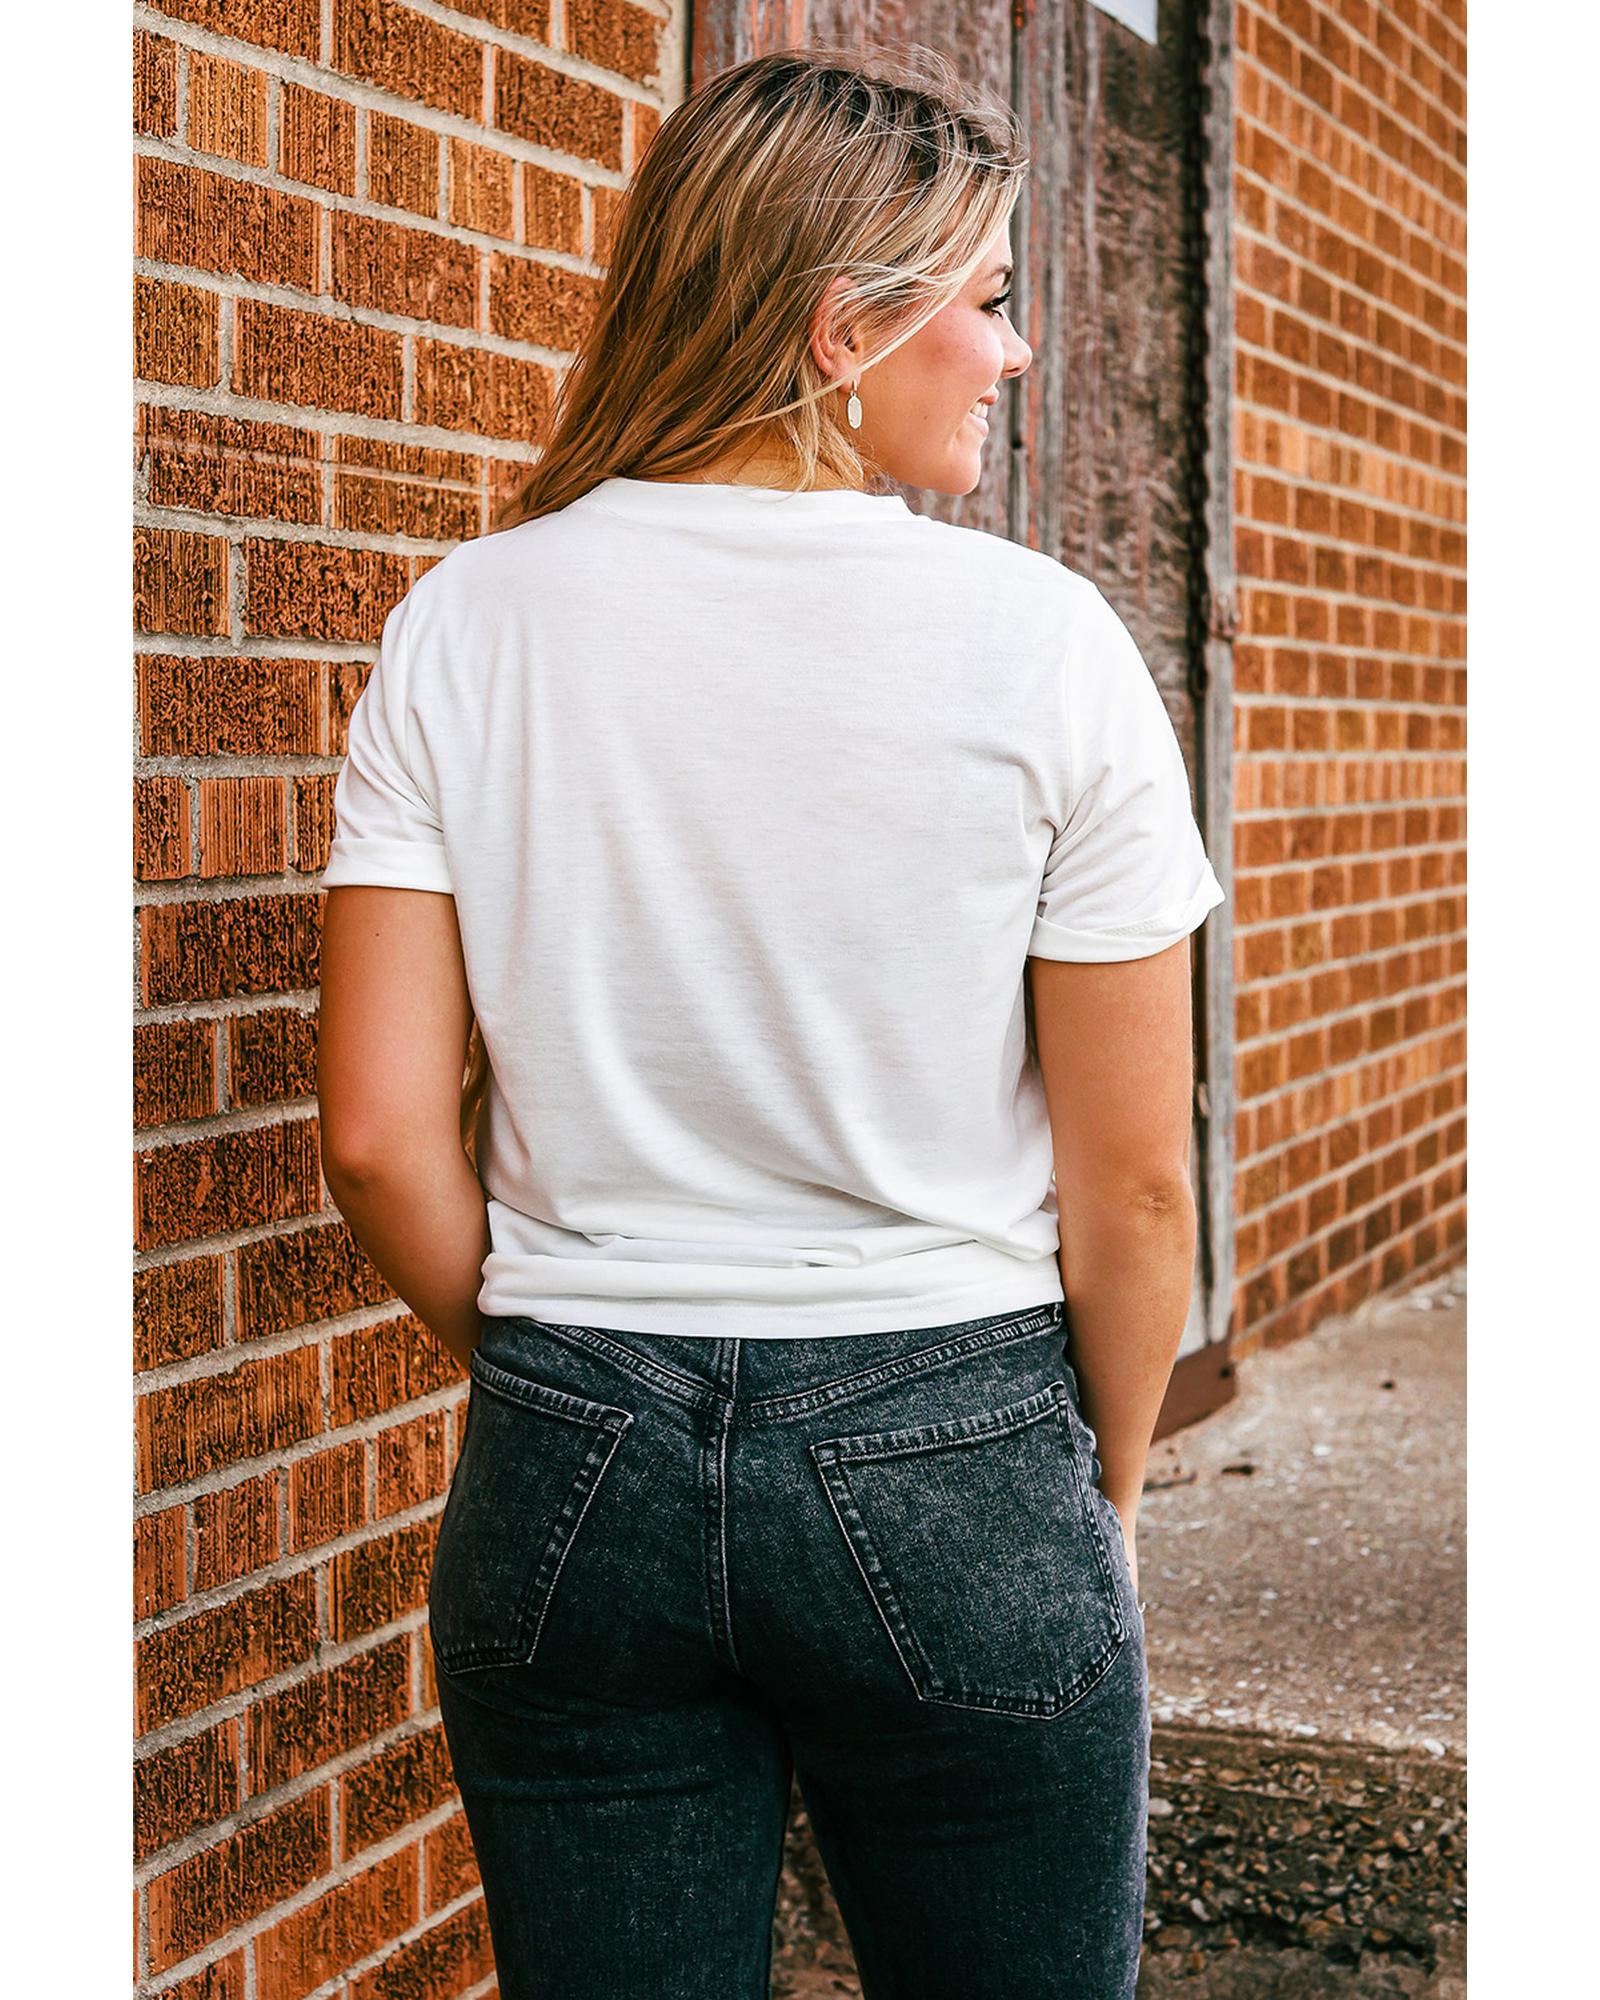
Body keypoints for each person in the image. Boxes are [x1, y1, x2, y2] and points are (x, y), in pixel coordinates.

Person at [316, 40, 1225, 2000]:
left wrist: (576, 1377)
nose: (1013, 351)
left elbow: (380, 1139)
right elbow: (1137, 1185)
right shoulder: (1042, 644)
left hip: (571, 1455)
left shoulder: (463, 622)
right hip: (954, 1439)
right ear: (842, 328)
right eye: (987, 299)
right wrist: (1100, 1497)